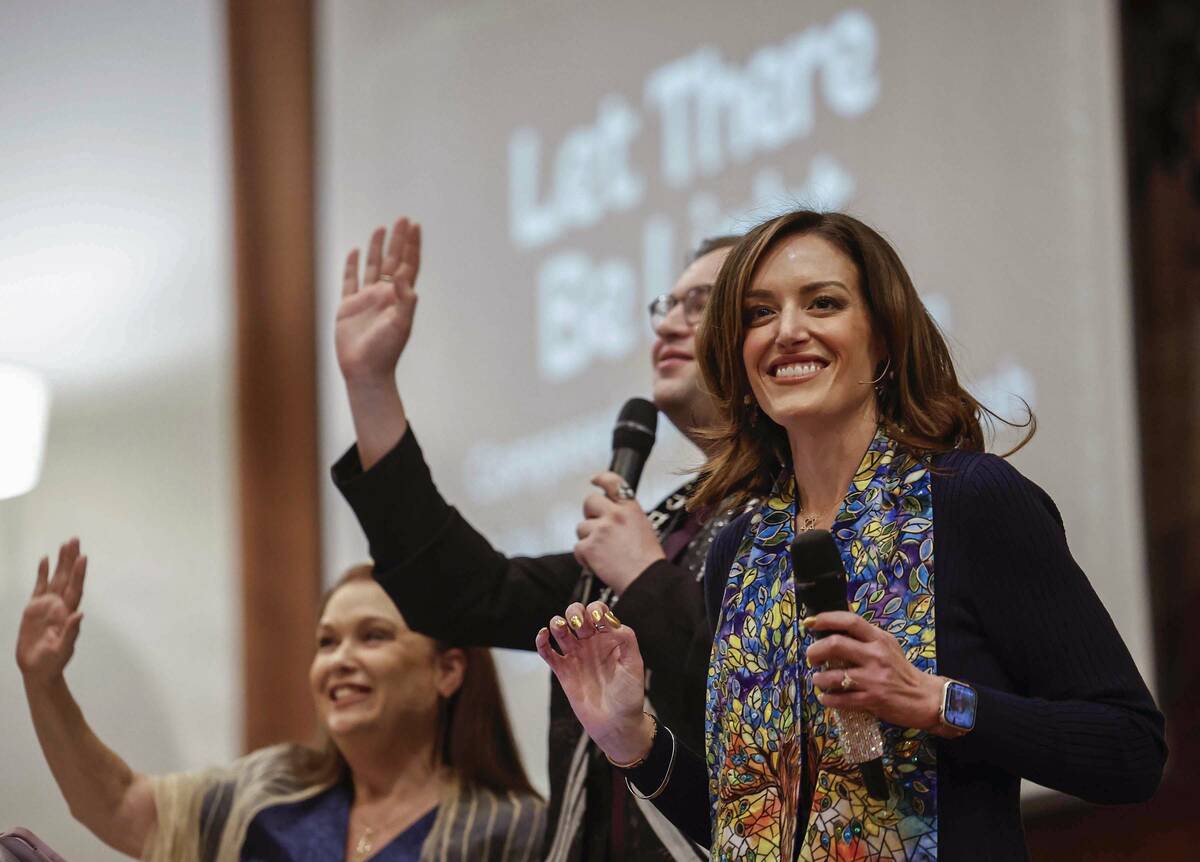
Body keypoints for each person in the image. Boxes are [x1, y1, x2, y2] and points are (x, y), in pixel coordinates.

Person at [534, 210, 1167, 861]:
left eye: (823, 303)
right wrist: (633, 739)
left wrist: (932, 699)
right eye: (758, 314)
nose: (787, 332)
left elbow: (1129, 749)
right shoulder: (740, 550)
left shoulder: (968, 500)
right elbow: (747, 830)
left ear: (884, 337)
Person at [331, 218, 747, 861]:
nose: (666, 324)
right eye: (666, 305)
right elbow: (465, 593)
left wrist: (644, 579)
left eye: (701, 305)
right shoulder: (663, 528)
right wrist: (370, 387)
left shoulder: (804, 516)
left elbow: (759, 700)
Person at [17, 539, 544, 862]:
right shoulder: (269, 794)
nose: (340, 659)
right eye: (327, 642)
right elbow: (114, 804)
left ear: (447, 671)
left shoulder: (514, 830)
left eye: (374, 636)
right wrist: (45, 683)